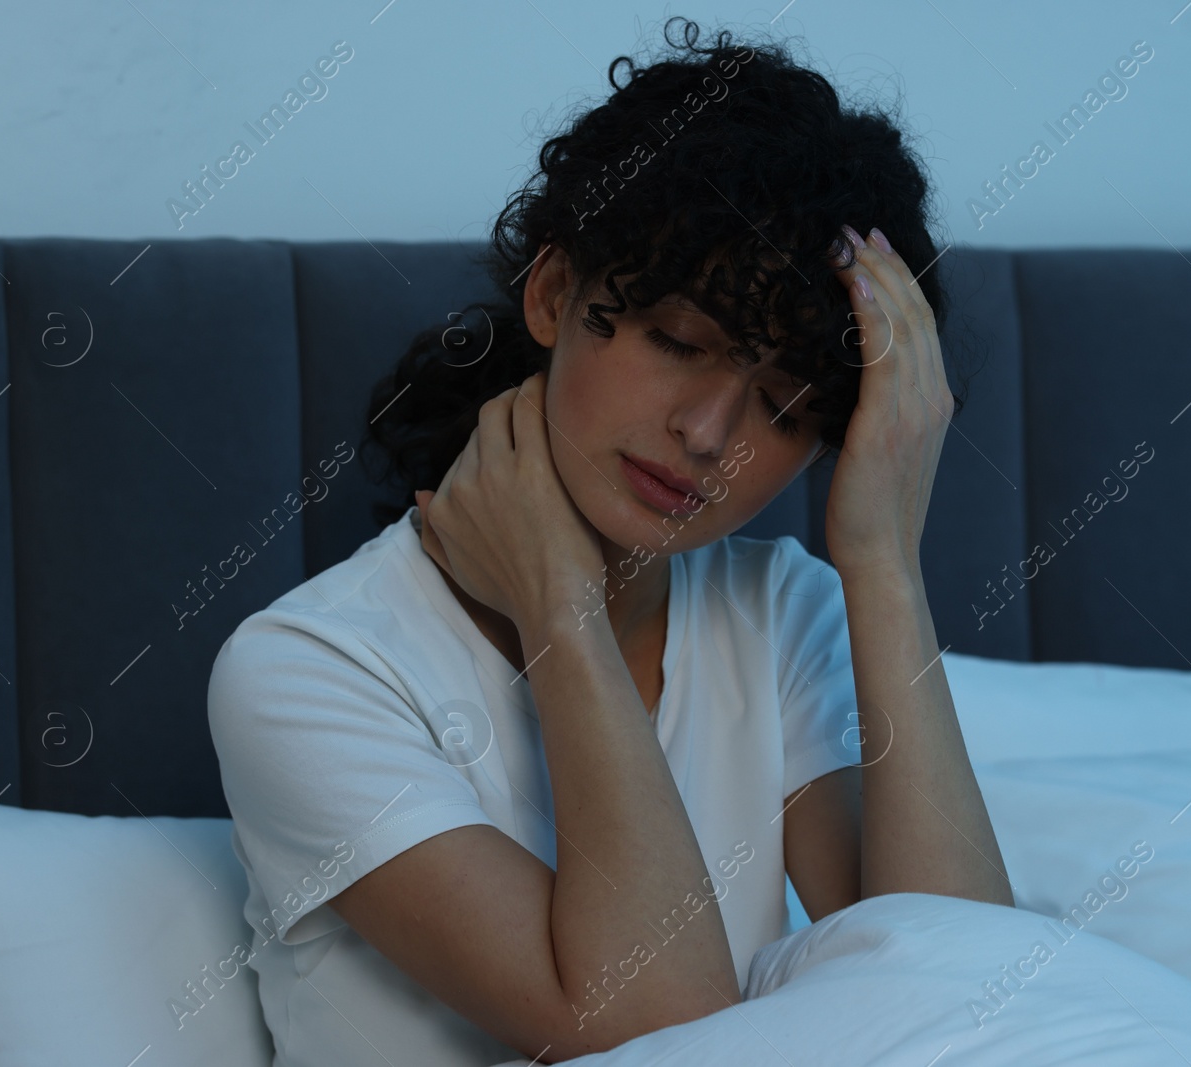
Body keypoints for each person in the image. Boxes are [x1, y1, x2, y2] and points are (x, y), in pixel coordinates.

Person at [207, 15, 1011, 1066]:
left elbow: (969, 1000)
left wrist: (882, 565)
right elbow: (655, 1030)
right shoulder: (309, 671)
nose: (709, 433)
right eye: (680, 343)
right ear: (552, 293)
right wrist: (560, 605)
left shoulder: (781, 611)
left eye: (781, 406)